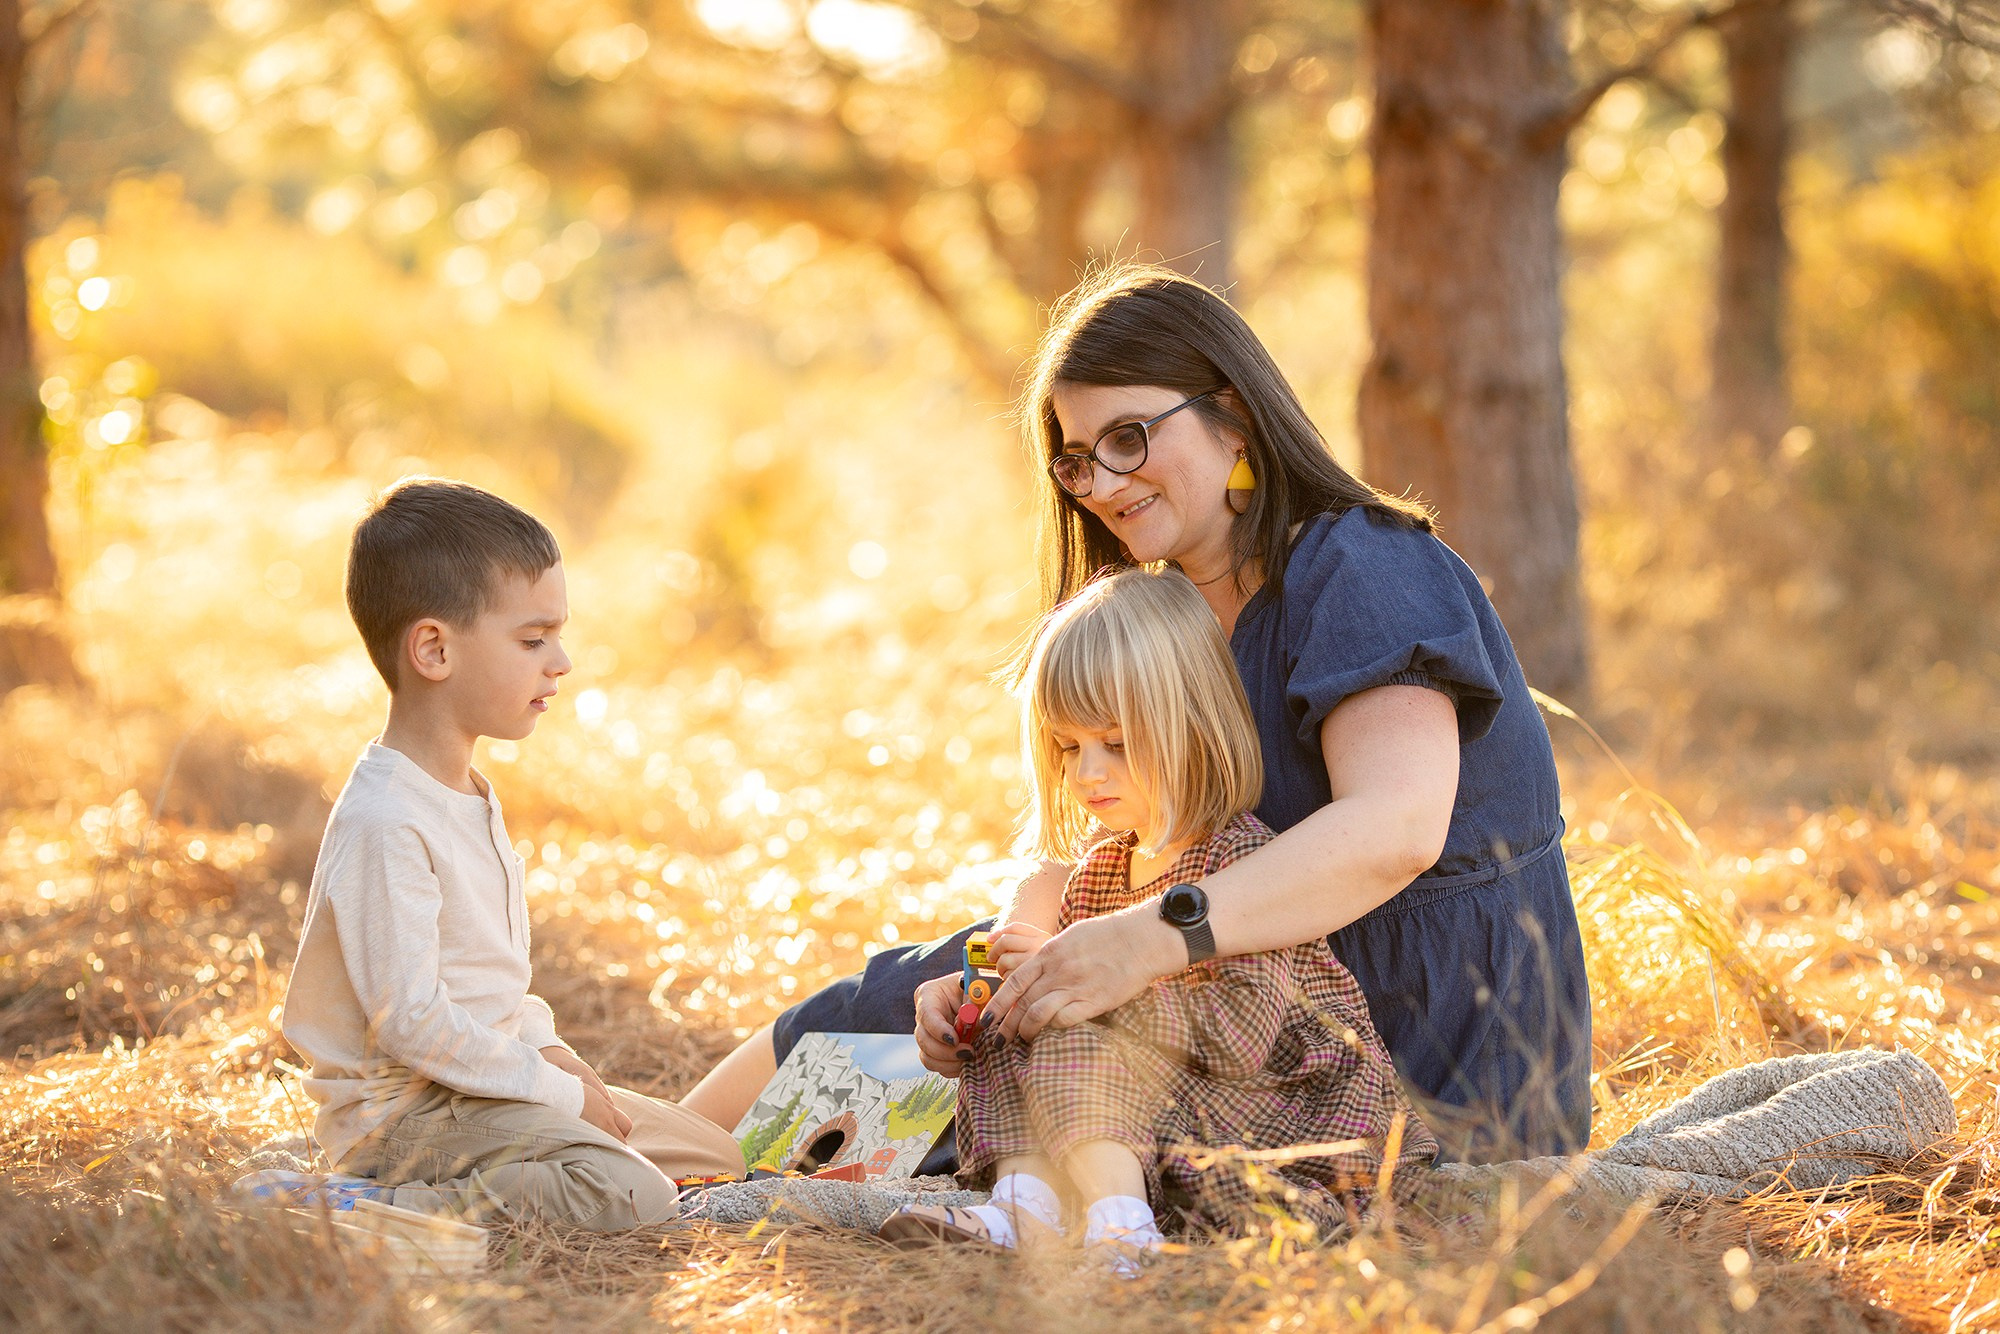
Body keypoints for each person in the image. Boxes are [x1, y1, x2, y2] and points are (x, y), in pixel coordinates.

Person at [683, 264, 1591, 1164]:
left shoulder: (1366, 567)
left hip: (1417, 1043)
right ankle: (656, 1157)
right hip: (1221, 982)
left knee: (1045, 1068)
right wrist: (1010, 955)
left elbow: (1395, 830)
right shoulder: (1165, 608)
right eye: (1077, 459)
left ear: (1232, 413)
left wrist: (1146, 940)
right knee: (917, 993)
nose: (1102, 483)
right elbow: (1094, 838)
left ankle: (670, 1165)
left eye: (1129, 437)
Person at [876, 567, 1436, 1267]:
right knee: (1022, 1015)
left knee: (1068, 1016)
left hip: (1282, 1121)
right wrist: (981, 1003)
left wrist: (1101, 1001)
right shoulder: (1098, 876)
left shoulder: (1238, 863)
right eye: (1069, 747)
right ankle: (1026, 1205)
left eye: (1115, 743)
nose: (1088, 774)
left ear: (1194, 730)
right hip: (1162, 1123)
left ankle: (1123, 1233)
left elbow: (1244, 1038)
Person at [269, 478, 743, 1228]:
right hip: (404, 1120)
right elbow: (412, 1021)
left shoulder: (467, 793)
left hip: (479, 1091)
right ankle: (364, 1205)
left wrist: (550, 1054)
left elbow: (489, 986)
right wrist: (558, 1096)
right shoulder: (387, 819)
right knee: (638, 1193)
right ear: (434, 649)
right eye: (532, 640)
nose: (562, 661)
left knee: (713, 1153)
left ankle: (545, 1161)